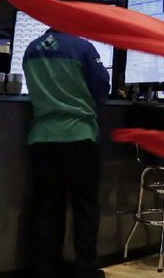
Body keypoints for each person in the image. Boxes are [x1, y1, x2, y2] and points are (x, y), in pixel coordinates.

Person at [23, 27, 110, 278]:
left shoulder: (30, 50)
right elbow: (101, 89)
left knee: (47, 207)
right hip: (79, 135)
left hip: (42, 137)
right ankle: (85, 270)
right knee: (85, 207)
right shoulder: (83, 47)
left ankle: (48, 269)